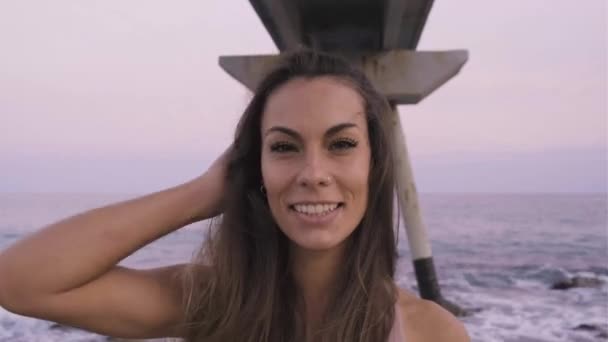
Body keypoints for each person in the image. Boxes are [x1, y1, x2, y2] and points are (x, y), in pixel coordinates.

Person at [0, 50, 469, 342]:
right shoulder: (214, 302)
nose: (313, 173)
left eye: (341, 144)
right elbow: (19, 281)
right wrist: (204, 192)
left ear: (375, 163)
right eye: (284, 147)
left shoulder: (430, 331)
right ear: (253, 168)